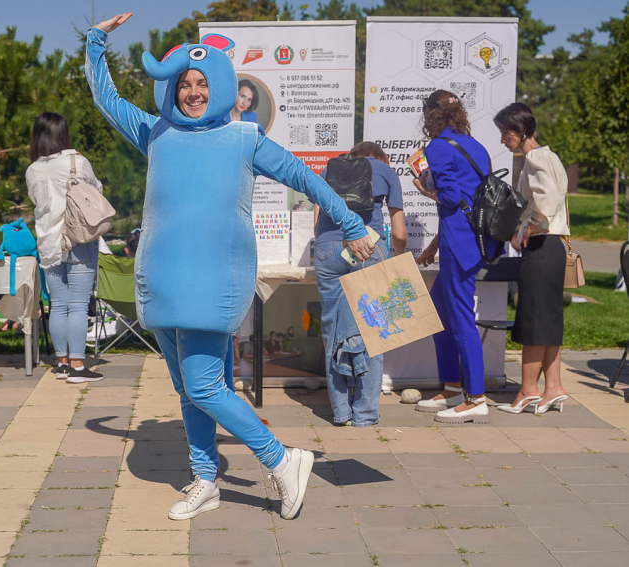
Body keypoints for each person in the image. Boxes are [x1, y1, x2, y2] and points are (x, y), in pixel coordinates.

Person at [87, 13, 374, 521]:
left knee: (202, 387)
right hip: (164, 279)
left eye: (201, 83)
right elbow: (107, 100)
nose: (192, 93)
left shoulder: (245, 139)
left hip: (213, 280)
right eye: (183, 85)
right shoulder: (155, 133)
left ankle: (282, 459)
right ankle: (206, 479)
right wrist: (96, 41)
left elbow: (305, 178)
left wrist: (352, 224)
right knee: (191, 389)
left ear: (219, 85)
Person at [413, 90, 500, 424]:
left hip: (459, 243)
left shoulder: (437, 147)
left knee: (461, 317)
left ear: (430, 116)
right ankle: (451, 386)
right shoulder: (474, 145)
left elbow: (450, 196)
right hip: (476, 240)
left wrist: (426, 190)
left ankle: (475, 397)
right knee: (438, 311)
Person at [312, 141, 405, 427]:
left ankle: (340, 410)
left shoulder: (329, 167)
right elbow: (399, 231)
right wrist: (396, 262)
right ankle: (365, 413)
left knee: (331, 328)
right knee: (373, 330)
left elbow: (317, 219)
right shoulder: (386, 171)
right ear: (378, 158)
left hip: (328, 250)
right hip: (368, 248)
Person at [493, 102, 569, 415]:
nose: (502, 140)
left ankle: (528, 390)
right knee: (549, 321)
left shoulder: (535, 159)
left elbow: (547, 201)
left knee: (534, 320)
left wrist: (529, 226)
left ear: (520, 131)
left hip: (542, 247)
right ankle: (554, 388)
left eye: (505, 133)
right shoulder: (549, 156)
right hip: (554, 248)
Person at [26, 112, 104, 384]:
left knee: (58, 305)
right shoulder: (77, 162)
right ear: (63, 134)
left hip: (48, 243)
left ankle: (60, 363)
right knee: (79, 305)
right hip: (78, 240)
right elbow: (96, 191)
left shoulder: (32, 170)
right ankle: (78, 366)